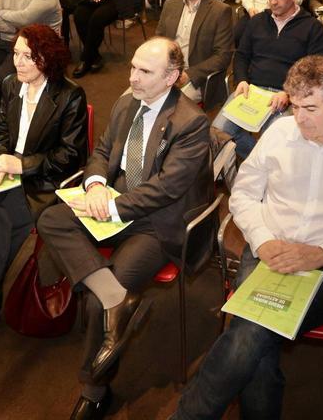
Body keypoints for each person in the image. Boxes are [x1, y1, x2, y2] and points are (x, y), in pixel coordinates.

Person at [171, 55, 323, 420]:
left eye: (310, 108)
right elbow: (242, 194)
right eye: (294, 106)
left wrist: (320, 254)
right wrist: (263, 241)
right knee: (257, 342)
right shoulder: (279, 133)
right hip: (265, 253)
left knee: (249, 333)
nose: (299, 118)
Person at [35, 38, 210, 419]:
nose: (132, 77)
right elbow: (100, 152)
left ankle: (95, 388)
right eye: (132, 67)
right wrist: (96, 185)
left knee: (96, 299)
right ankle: (119, 299)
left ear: (172, 77)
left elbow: (167, 189)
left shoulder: (191, 122)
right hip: (112, 204)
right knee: (50, 218)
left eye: (144, 72)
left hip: (154, 225)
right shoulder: (124, 102)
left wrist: (112, 205)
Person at [0, 25, 88, 353]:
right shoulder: (10, 85)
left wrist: (20, 165)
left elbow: (69, 158)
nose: (18, 63)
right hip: (7, 175)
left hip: (42, 186)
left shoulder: (69, 94)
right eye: (15, 54)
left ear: (47, 60)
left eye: (28, 56)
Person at [214, 0, 323, 159]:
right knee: (217, 133)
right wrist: (241, 80)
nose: (273, 1)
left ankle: (267, 166)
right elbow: (241, 56)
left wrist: (291, 93)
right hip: (252, 91)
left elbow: (317, 72)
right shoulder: (258, 21)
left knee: (276, 140)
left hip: (287, 97)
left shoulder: (312, 27)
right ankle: (261, 161)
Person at [155, 0, 234, 105]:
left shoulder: (220, 11)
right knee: (135, 95)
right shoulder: (170, 4)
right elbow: (158, 41)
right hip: (166, 69)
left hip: (197, 77)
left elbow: (223, 56)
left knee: (165, 106)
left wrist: (188, 75)